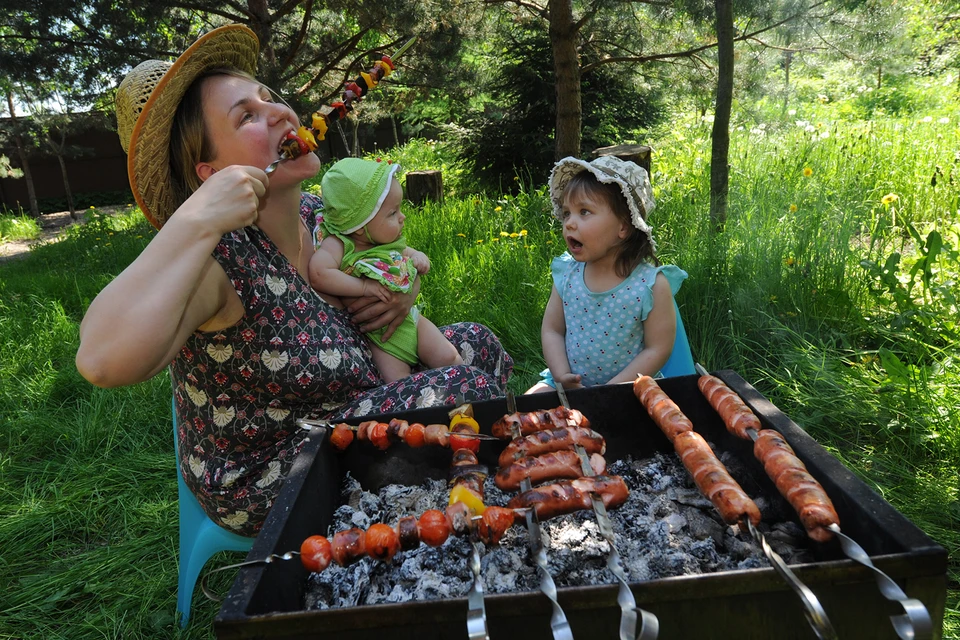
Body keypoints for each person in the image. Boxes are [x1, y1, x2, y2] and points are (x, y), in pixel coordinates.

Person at [75, 25, 513, 537]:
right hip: (277, 463)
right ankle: (468, 504)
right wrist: (195, 222)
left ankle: (461, 490)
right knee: (467, 388)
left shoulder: (315, 214)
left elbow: (385, 256)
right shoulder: (218, 260)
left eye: (268, 98)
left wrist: (403, 292)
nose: (281, 113)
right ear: (211, 174)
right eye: (247, 116)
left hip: (357, 394)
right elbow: (100, 361)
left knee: (475, 341)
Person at [526, 156, 687, 393]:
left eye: (584, 212)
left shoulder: (650, 285)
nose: (569, 223)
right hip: (569, 383)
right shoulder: (567, 275)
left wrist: (611, 391)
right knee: (523, 412)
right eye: (567, 213)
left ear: (623, 226)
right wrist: (561, 374)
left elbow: (658, 349)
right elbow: (552, 330)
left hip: (631, 387)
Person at [308, 158, 463, 383]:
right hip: (380, 339)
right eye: (392, 213)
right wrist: (363, 286)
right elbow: (319, 273)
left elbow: (411, 253)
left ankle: (464, 387)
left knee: (448, 356)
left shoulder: (388, 242)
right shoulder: (340, 244)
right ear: (359, 226)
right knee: (397, 382)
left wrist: (420, 258)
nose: (402, 217)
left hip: (412, 322)